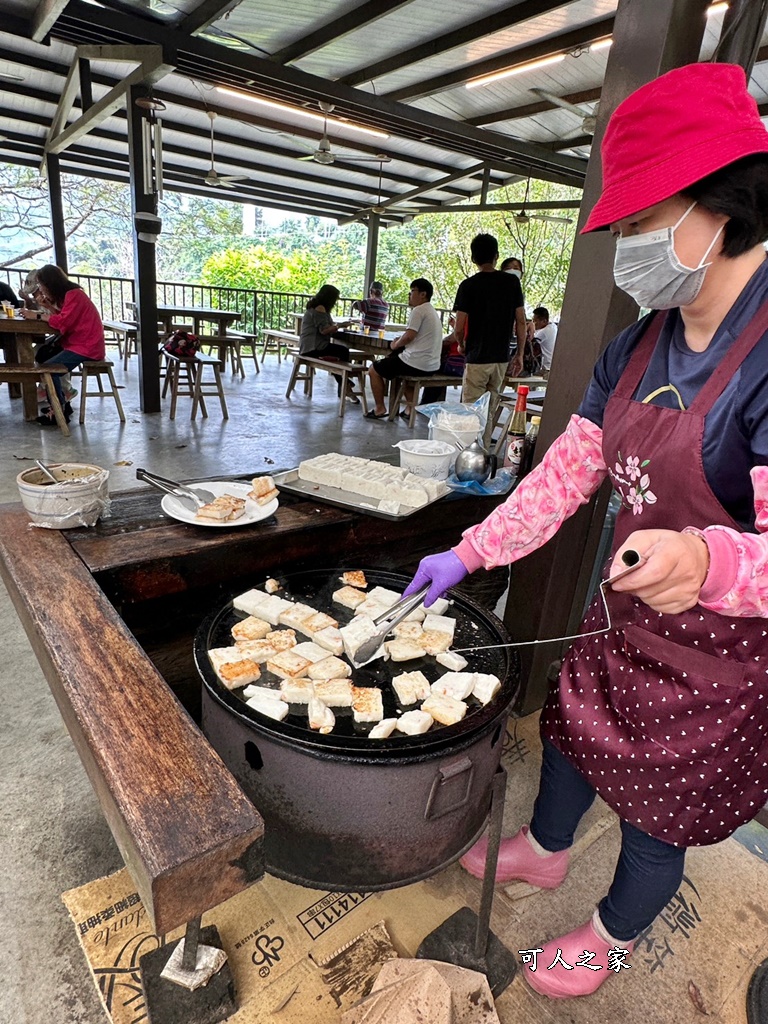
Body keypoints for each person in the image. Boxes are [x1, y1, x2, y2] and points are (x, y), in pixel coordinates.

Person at [403, 62, 768, 1000]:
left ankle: (613, 934)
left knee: (656, 810)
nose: (628, 245)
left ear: (716, 209)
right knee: (570, 733)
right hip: (626, 615)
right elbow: (569, 471)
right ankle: (547, 847)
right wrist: (472, 549)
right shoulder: (642, 341)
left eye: (643, 222)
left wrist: (707, 558)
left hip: (722, 652)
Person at [21, 265, 104, 426]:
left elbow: (63, 323)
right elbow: (64, 318)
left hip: (86, 345)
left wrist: (37, 316)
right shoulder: (69, 295)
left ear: (51, 283)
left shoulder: (74, 295)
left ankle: (58, 411)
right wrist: (48, 307)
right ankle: (61, 405)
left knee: (50, 370)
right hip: (79, 343)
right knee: (44, 358)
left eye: (42, 286)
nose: (42, 289)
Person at [454, 235, 527, 408]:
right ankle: (486, 437)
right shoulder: (512, 283)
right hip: (501, 357)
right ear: (496, 256)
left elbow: (458, 327)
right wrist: (520, 354)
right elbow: (521, 321)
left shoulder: (468, 285)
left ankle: (475, 437)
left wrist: (461, 345)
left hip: (476, 356)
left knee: (471, 410)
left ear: (473, 258)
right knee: (490, 409)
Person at [366, 278, 442, 419]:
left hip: (416, 363)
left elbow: (409, 336)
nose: (409, 295)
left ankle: (379, 408)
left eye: (412, 291)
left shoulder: (418, 310)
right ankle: (409, 409)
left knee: (373, 369)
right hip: (431, 365)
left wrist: (395, 344)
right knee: (398, 369)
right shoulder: (432, 311)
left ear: (423, 294)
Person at [299, 285, 357, 403]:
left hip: (307, 346)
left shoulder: (316, 306)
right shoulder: (320, 308)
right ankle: (345, 384)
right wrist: (339, 326)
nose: (336, 301)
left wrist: (339, 325)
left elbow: (327, 325)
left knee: (339, 356)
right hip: (313, 347)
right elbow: (324, 330)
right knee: (343, 351)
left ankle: (344, 385)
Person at [531, 305, 557, 378]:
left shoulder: (544, 332)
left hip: (546, 368)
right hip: (550, 365)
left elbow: (530, 340)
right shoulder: (553, 326)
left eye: (535, 321)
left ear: (544, 321)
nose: (534, 323)